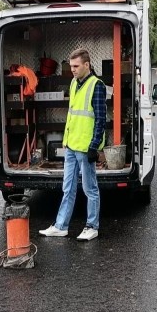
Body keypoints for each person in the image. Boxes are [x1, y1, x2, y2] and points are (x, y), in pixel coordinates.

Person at [39, 48, 106, 241]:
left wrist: (94, 146)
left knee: (90, 188)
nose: (73, 70)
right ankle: (61, 226)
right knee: (68, 188)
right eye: (71, 66)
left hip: (86, 148)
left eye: (76, 66)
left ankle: (92, 226)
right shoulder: (74, 83)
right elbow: (73, 115)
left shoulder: (97, 85)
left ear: (87, 65)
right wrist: (66, 142)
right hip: (71, 145)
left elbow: (100, 119)